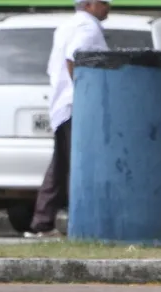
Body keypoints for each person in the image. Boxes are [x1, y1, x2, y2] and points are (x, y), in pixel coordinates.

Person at [25, 0, 111, 239]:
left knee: (61, 165)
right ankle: (85, 226)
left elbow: (53, 66)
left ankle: (42, 223)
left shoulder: (66, 26)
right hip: (76, 107)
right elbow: (74, 57)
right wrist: (82, 91)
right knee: (80, 166)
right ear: (90, 4)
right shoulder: (89, 28)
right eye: (104, 3)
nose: (108, 7)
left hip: (61, 105)